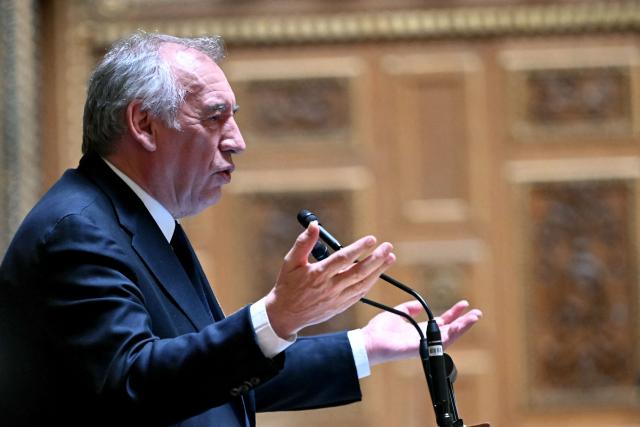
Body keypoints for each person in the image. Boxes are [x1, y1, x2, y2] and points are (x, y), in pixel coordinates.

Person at [0, 32, 482, 426]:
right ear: (144, 124)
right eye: (216, 117)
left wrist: (366, 346)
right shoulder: (77, 232)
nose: (238, 142)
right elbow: (135, 384)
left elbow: (214, 379)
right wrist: (275, 318)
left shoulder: (136, 218)